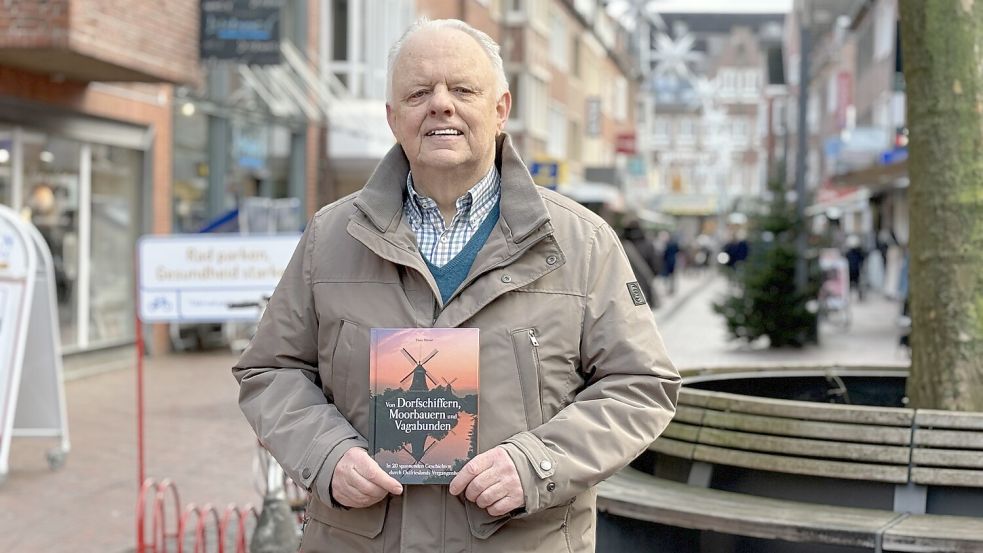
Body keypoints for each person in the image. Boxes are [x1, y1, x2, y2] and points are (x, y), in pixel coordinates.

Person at [233, 18, 679, 553]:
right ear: (393, 118)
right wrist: (326, 454)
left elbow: (641, 386)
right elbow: (270, 370)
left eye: (463, 90)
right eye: (419, 92)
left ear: (500, 109)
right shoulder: (330, 237)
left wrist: (538, 463)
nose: (441, 105)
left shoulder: (582, 244)